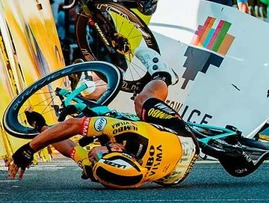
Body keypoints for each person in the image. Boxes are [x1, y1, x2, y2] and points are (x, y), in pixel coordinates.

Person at [7, 48, 201, 189]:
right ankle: (164, 75)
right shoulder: (134, 133)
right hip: (181, 138)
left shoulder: (103, 170)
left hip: (174, 177)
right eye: (100, 155)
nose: (92, 155)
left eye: (95, 159)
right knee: (143, 101)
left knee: (102, 129)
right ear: (117, 149)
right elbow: (73, 125)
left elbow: (71, 149)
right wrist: (30, 149)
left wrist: (41, 126)